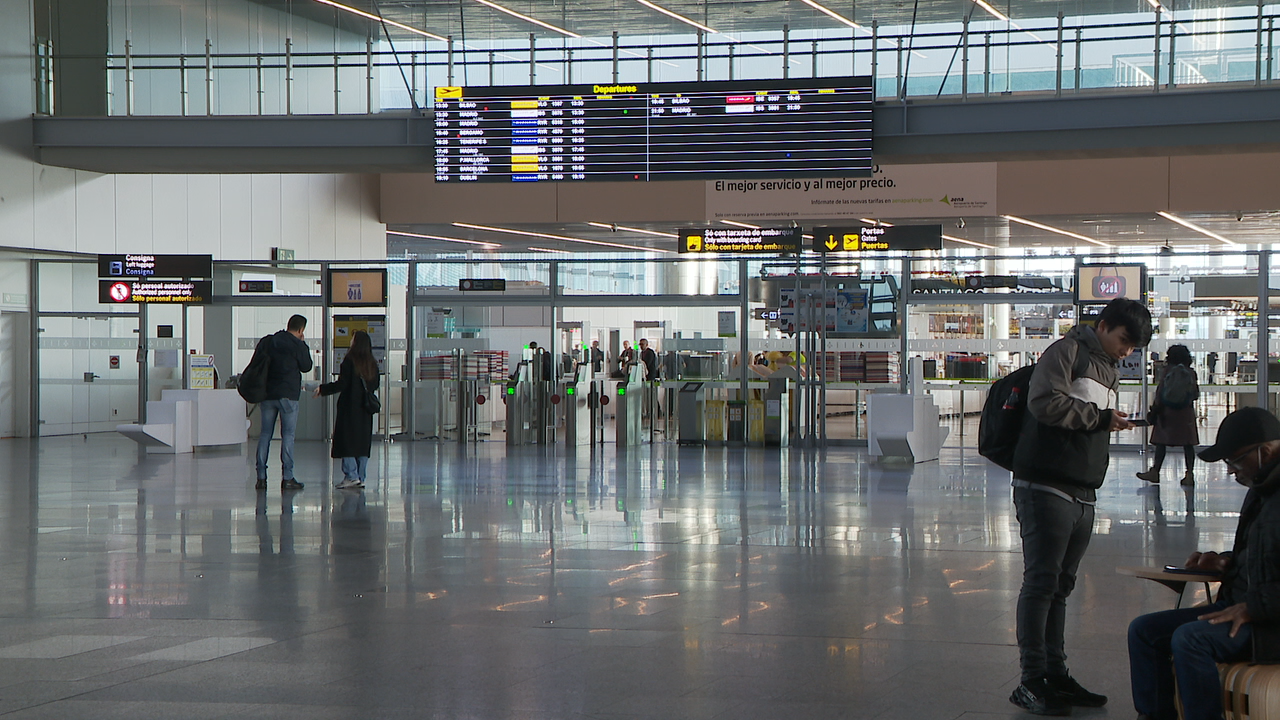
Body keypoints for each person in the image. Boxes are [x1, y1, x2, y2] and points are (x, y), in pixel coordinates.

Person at [1009, 297, 1153, 716]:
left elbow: (1087, 413)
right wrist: (1100, 418)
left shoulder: (1107, 367)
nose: (1126, 352)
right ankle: (1031, 679)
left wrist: (1110, 419)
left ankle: (1056, 674)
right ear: (1103, 325)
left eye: (1133, 348)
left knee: (1060, 586)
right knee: (1040, 583)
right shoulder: (1066, 351)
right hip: (1045, 484)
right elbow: (1044, 403)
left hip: (1083, 488)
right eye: (1124, 341)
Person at [1128, 407, 1280, 720]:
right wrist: (1224, 562)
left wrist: (1256, 606)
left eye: (1235, 461)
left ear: (1266, 451)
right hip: (1241, 608)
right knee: (1144, 630)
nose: (1232, 472)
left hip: (1269, 623)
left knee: (1190, 639)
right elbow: (1263, 553)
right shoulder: (1262, 488)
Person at [315, 330, 380, 490]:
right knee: (362, 443)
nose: (350, 341)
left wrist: (322, 389)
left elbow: (342, 384)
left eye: (352, 339)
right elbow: (375, 384)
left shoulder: (349, 361)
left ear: (356, 342)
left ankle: (351, 476)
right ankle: (361, 476)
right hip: (365, 409)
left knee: (348, 441)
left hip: (350, 407)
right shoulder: (372, 362)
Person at [255, 314, 313, 492]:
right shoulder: (297, 345)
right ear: (301, 330)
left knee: (265, 434)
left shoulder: (270, 341)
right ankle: (287, 478)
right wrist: (303, 344)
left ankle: (261, 478)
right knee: (288, 435)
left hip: (267, 395)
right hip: (288, 395)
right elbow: (306, 366)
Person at [1137, 344, 1200, 487]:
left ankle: (1155, 472)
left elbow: (1160, 392)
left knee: (1161, 442)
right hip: (1185, 413)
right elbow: (1195, 394)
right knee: (1188, 444)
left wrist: (1155, 409)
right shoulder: (1190, 372)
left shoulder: (1167, 371)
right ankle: (1189, 474)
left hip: (1167, 412)